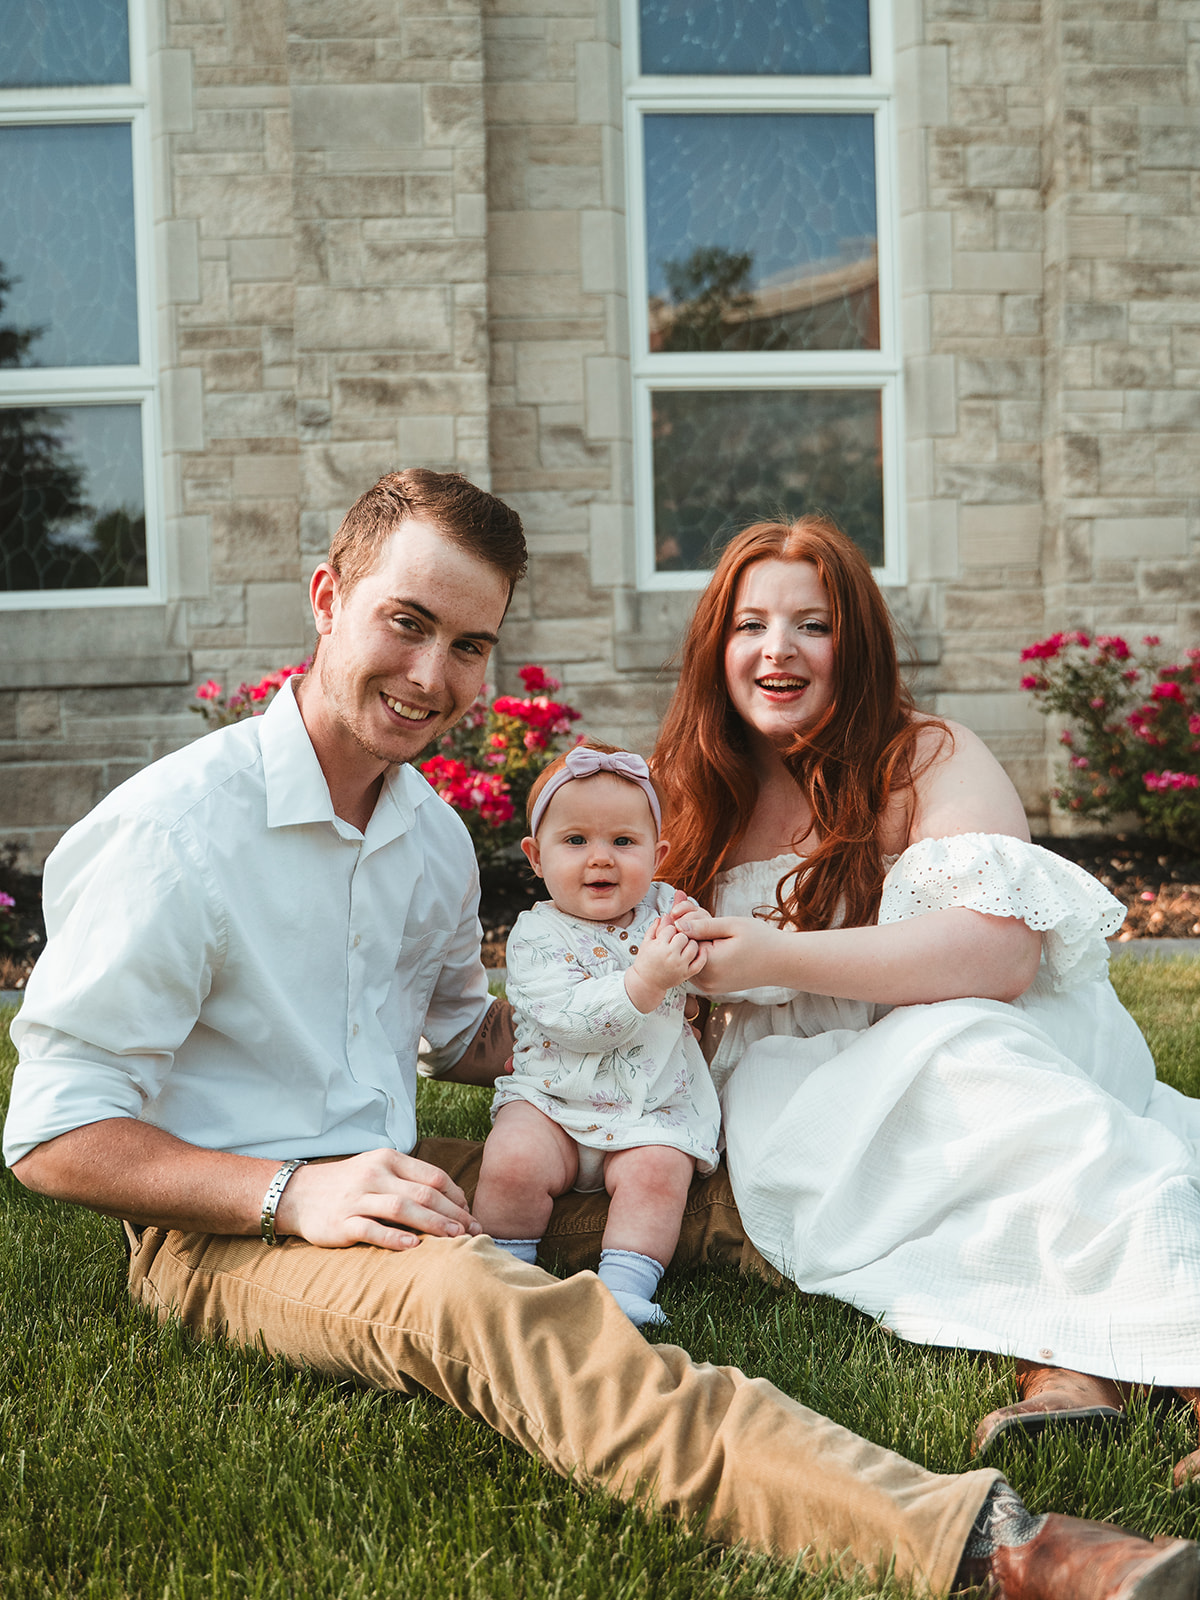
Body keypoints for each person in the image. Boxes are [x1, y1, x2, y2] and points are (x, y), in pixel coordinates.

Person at [3, 471, 1195, 1600]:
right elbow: (53, 1133)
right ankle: (995, 1544)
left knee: (747, 1187)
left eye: (469, 644)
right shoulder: (175, 834)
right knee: (513, 1319)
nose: (432, 674)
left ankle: (1102, 1332)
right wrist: (290, 1197)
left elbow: (472, 1036)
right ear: (327, 597)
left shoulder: (422, 836)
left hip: (406, 1174)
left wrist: (636, 1006)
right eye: (406, 623)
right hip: (228, 1223)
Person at [653, 514, 1200, 1487]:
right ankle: (1070, 1374)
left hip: (999, 1027)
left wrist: (778, 953)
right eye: (750, 625)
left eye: (812, 625)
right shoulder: (689, 796)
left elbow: (996, 956)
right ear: (715, 647)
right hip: (799, 1069)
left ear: (854, 643)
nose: (778, 649)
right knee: (899, 1147)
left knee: (965, 1059)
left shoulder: (925, 756)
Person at [474, 740, 719, 1327]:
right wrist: (646, 980)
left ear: (657, 854)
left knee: (659, 1173)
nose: (601, 859)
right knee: (510, 1162)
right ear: (536, 857)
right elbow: (574, 1020)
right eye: (576, 840)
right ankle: (504, 1274)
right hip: (552, 1103)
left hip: (651, 1106)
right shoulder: (535, 936)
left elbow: (715, 972)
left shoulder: (671, 913)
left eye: (624, 842)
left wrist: (704, 946)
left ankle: (624, 1289)